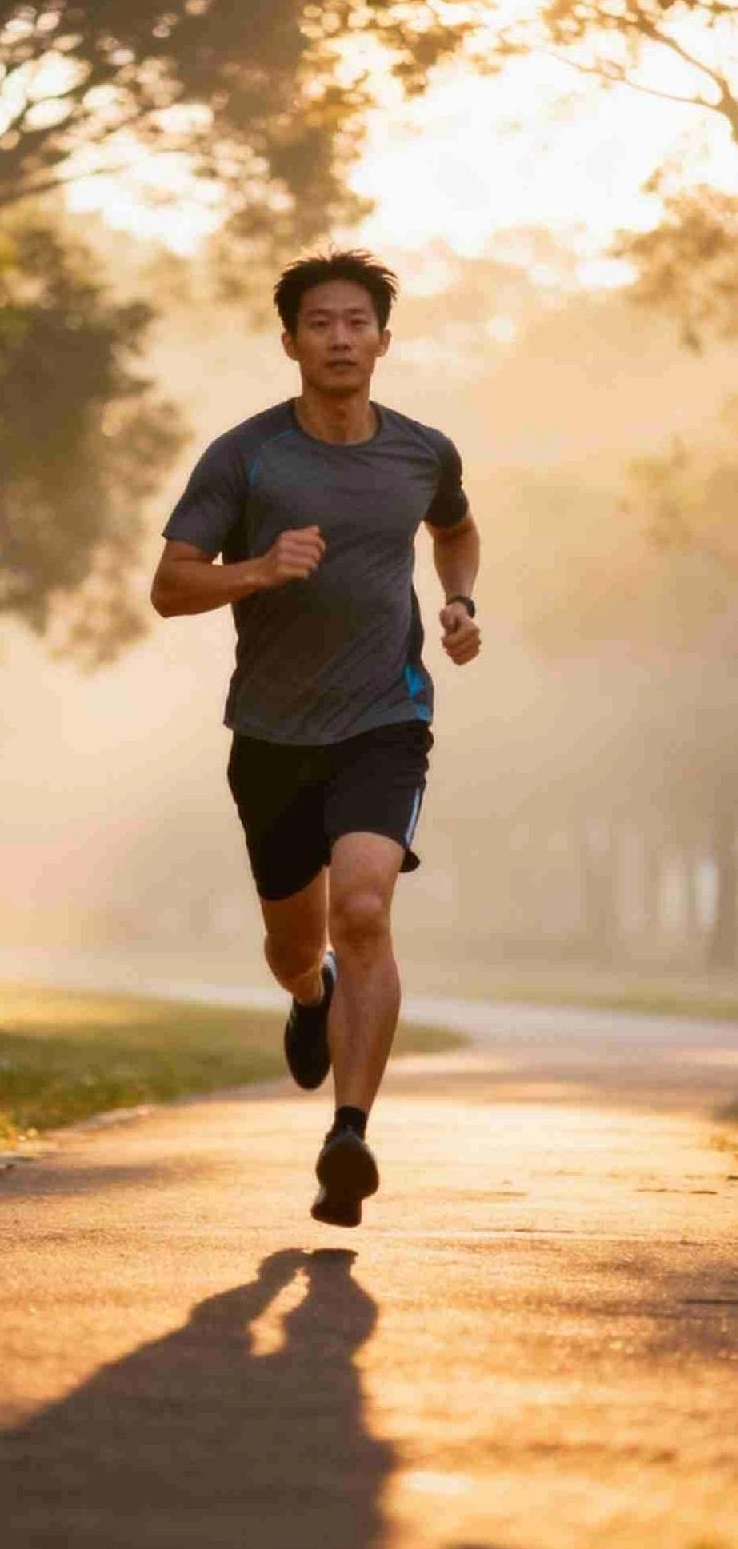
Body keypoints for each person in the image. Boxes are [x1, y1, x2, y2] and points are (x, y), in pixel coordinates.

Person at [150, 249, 481, 1227]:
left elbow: (455, 529)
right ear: (289, 340)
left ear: (382, 337)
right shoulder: (246, 456)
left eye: (357, 322)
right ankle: (309, 997)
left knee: (367, 909)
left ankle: (350, 1137)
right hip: (272, 736)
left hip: (388, 720)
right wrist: (256, 569)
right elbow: (170, 586)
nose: (341, 338)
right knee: (297, 945)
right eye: (320, 324)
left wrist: (460, 601)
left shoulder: (423, 450)